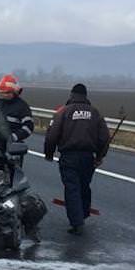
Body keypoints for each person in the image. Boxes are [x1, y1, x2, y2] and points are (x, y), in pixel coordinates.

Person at [44, 83, 110, 236]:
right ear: (86, 96)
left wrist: (48, 154)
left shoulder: (63, 112)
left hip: (69, 156)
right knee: (84, 186)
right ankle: (84, 214)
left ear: (71, 95)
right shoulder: (95, 113)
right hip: (88, 157)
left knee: (72, 188)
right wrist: (100, 156)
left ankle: (77, 223)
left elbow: (52, 135)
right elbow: (104, 138)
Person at [0, 74, 34, 143]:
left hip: (12, 145)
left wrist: (13, 137)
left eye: (6, 93)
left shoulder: (22, 107)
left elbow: (28, 127)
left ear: (14, 92)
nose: (4, 95)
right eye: (2, 93)